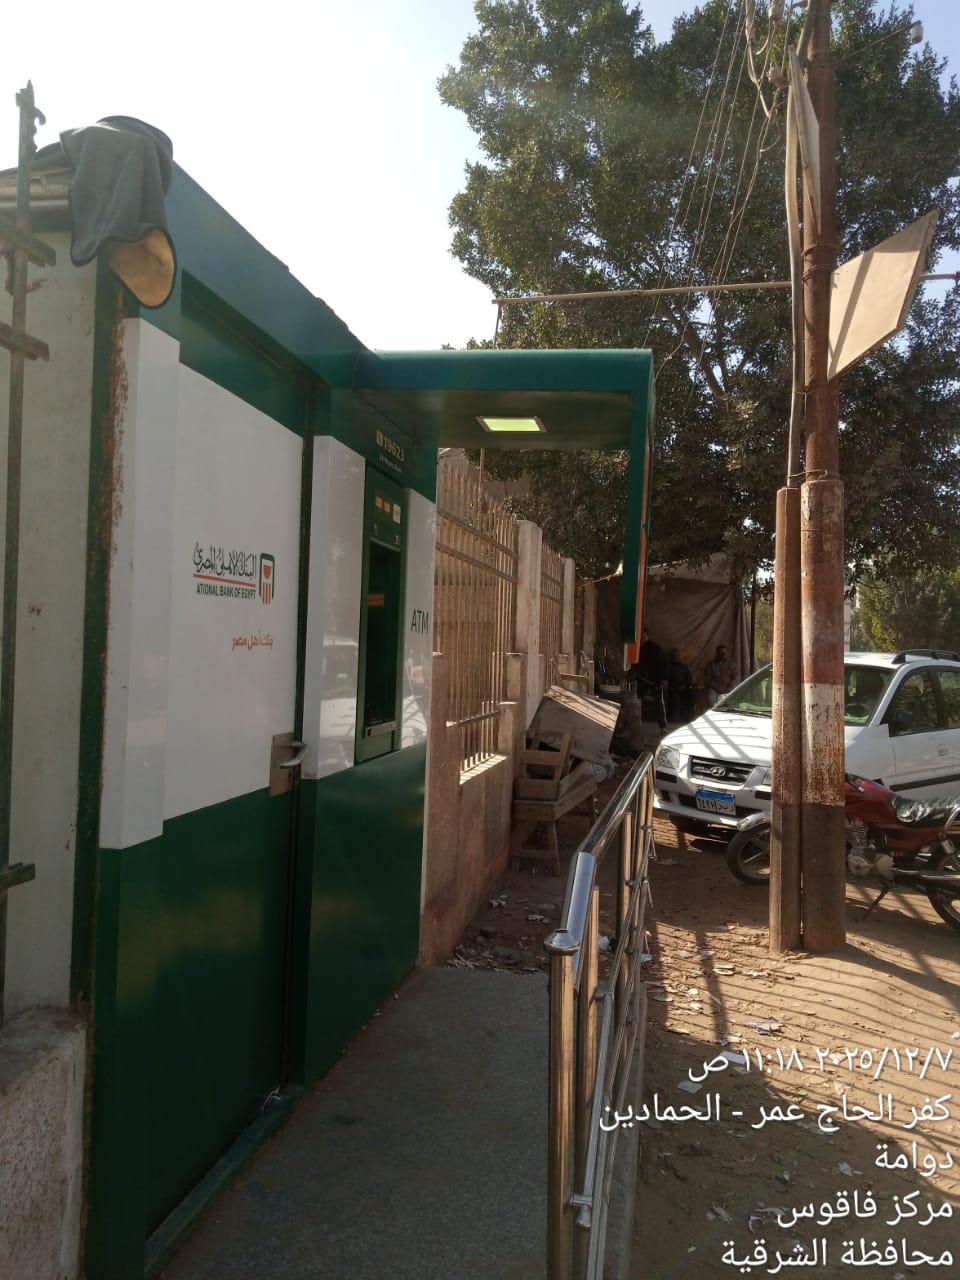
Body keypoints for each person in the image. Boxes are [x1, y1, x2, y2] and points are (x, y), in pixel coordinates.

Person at [631, 628, 668, 731]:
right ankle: (635, 725)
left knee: (659, 702)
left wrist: (664, 678)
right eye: (640, 636)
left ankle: (663, 727)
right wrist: (633, 674)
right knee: (636, 700)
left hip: (655, 679)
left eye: (643, 636)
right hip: (641, 679)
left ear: (647, 635)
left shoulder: (655, 647)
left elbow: (663, 663)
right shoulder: (636, 647)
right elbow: (634, 664)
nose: (641, 638)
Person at [667, 648, 695, 723]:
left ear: (679, 656)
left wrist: (685, 685)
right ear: (671, 656)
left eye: (677, 654)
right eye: (674, 654)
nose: (676, 656)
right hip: (673, 687)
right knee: (674, 695)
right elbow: (667, 678)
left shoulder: (684, 666)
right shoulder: (668, 665)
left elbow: (689, 679)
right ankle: (676, 716)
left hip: (684, 686)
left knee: (692, 693)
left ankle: (687, 715)